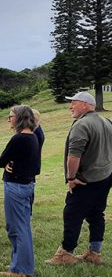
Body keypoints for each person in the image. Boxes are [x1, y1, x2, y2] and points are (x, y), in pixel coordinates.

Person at [46, 92, 112, 265]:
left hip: (86, 179)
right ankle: (95, 253)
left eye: (73, 103)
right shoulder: (107, 121)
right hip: (105, 177)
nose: (70, 107)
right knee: (97, 213)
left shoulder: (81, 125)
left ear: (85, 104)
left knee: (72, 214)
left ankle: (65, 254)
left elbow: (74, 156)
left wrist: (71, 177)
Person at [0, 105, 39, 276]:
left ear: (20, 118)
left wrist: (7, 163)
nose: (9, 119)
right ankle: (21, 265)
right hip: (26, 185)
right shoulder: (34, 137)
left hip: (16, 187)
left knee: (17, 228)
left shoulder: (19, 139)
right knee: (23, 227)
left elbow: (0, 161)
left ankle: (21, 269)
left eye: (11, 116)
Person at [30, 109, 45, 213]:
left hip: (31, 164)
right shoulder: (38, 130)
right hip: (34, 163)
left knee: (29, 187)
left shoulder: (35, 132)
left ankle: (28, 210)